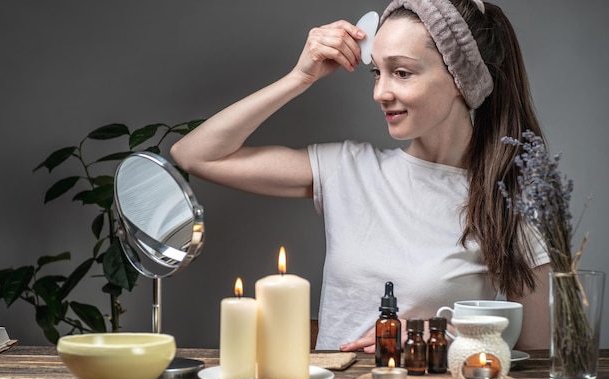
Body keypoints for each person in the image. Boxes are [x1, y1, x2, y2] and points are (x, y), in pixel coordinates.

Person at [171, 0, 551, 352]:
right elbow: (194, 155)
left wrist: (435, 336)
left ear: (461, 79)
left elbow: (534, 359)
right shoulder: (347, 170)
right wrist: (299, 78)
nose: (380, 92)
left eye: (401, 72)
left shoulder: (510, 199)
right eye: (377, 72)